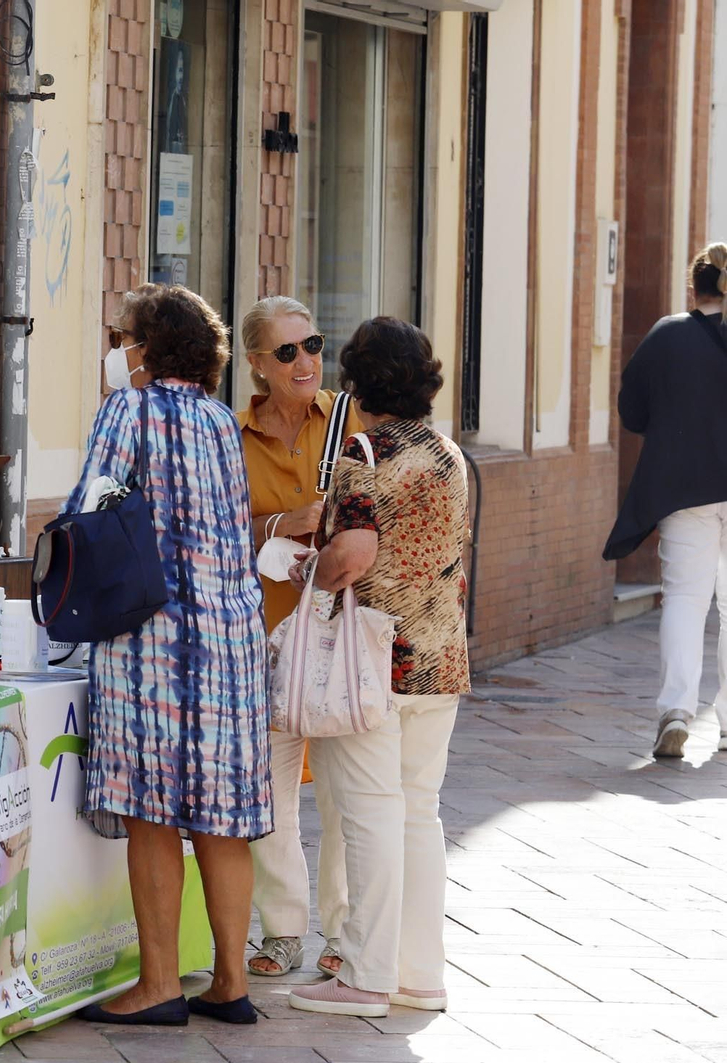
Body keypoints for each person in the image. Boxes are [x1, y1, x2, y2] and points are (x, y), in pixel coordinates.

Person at [70, 284, 271, 1027]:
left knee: (153, 812)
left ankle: (157, 984)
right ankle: (230, 980)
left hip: (149, 638)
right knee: (221, 817)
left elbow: (86, 512)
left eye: (123, 335)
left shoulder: (128, 409)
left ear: (146, 348)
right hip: (229, 639)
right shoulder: (221, 421)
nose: (118, 347)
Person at [284, 318, 469, 1018]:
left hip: (373, 659)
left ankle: (363, 974)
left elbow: (353, 553)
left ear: (362, 385)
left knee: (369, 814)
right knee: (420, 813)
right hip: (440, 654)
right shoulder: (448, 452)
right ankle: (420, 974)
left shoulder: (364, 451)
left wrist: (317, 568)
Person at [235, 296, 355, 980]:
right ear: (257, 363)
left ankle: (341, 930)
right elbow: (217, 534)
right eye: (287, 351)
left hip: (339, 635)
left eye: (311, 345)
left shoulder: (348, 422)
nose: (305, 360)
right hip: (265, 636)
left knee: (342, 794)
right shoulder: (232, 436)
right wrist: (283, 525)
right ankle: (282, 931)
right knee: (271, 792)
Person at [604, 243, 727, 757]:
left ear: (692, 287)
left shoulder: (667, 334)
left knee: (683, 600)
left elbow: (631, 410)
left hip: (684, 488)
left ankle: (676, 710)